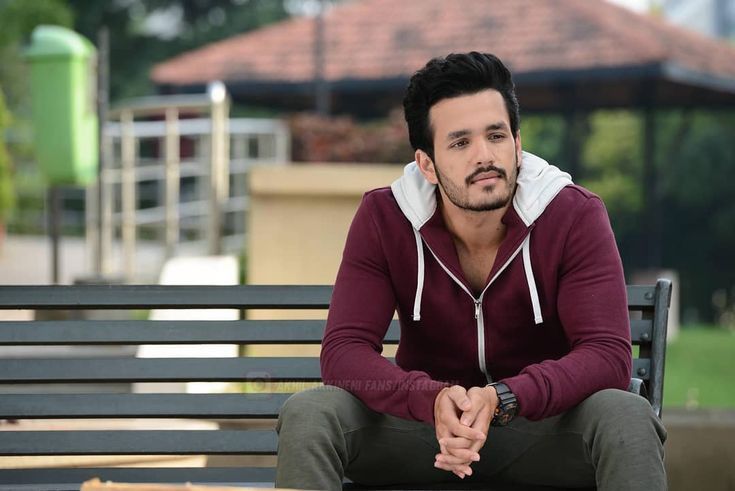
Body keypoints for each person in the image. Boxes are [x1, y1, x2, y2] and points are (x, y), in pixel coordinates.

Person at [275, 52, 667, 491]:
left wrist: (505, 397)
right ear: (427, 165)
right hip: (423, 433)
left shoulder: (573, 214)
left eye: (496, 135)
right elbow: (344, 352)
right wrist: (431, 398)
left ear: (518, 144)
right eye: (460, 143)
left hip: (541, 431)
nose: (485, 155)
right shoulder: (384, 218)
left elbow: (607, 356)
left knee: (627, 416)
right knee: (310, 413)